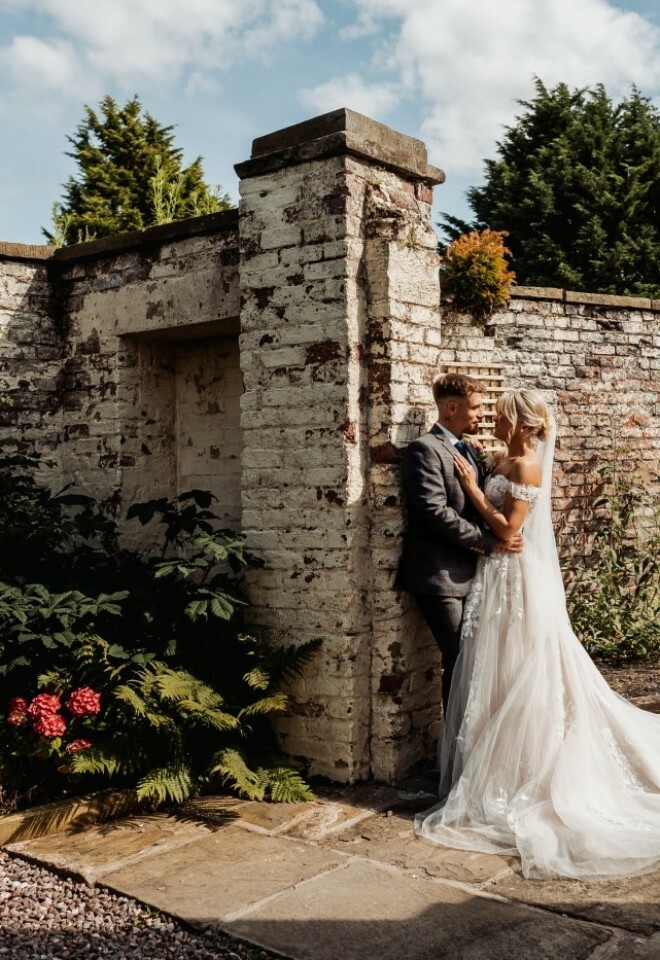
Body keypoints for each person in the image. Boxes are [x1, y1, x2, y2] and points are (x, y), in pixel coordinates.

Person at [415, 389, 660, 879]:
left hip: (517, 578)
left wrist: (476, 489)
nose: (495, 422)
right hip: (496, 578)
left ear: (523, 425)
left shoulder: (527, 467)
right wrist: (476, 474)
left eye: (502, 417)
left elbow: (509, 531)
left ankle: (527, 766)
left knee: (523, 661)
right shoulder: (503, 458)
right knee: (493, 663)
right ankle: (486, 759)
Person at [397, 373, 521, 714]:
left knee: (475, 662)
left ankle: (465, 748)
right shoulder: (425, 450)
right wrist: (490, 543)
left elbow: (478, 498)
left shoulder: (467, 447)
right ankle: (454, 755)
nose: (480, 416)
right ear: (452, 408)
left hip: (474, 575)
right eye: (476, 408)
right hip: (441, 578)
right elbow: (434, 513)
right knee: (462, 659)